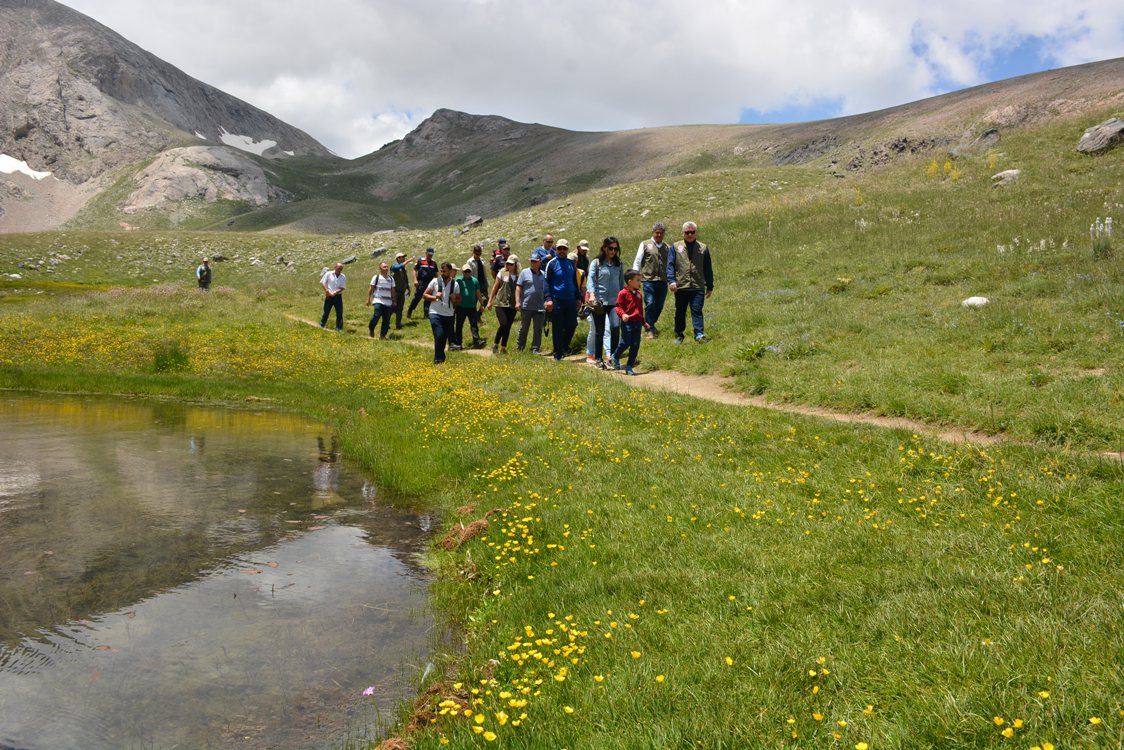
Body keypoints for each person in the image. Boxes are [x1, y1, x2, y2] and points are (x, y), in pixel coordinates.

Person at [667, 221, 715, 343]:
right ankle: (679, 335)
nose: (689, 234)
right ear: (683, 233)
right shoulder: (675, 247)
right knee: (680, 312)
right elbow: (670, 265)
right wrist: (671, 281)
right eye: (687, 232)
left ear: (696, 233)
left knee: (697, 310)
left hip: (697, 285)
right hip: (681, 286)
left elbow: (707, 268)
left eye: (692, 232)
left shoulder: (703, 248)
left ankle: (699, 334)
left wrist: (710, 286)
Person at [586, 237, 625, 369]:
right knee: (600, 331)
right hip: (599, 301)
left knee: (615, 327)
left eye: (615, 249)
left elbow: (621, 283)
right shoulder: (596, 263)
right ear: (604, 248)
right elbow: (590, 280)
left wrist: (623, 299)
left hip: (615, 302)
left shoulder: (619, 264)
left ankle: (613, 358)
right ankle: (598, 358)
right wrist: (592, 294)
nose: (613, 251)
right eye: (610, 248)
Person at [543, 239, 582, 361]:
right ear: (556, 249)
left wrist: (578, 297)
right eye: (559, 248)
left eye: (564, 248)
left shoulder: (571, 263)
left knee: (572, 324)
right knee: (558, 327)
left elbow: (574, 282)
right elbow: (546, 283)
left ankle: (564, 347)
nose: (561, 251)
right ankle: (558, 354)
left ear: (567, 249)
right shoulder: (552, 263)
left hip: (570, 299)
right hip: (557, 299)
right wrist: (548, 299)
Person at [631, 222, 671, 338]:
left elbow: (671, 264)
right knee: (650, 303)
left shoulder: (667, 247)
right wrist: (635, 277)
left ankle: (650, 323)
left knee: (659, 305)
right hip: (648, 279)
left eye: (661, 233)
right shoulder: (644, 244)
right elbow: (638, 261)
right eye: (657, 232)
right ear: (653, 233)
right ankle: (650, 329)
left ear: (664, 234)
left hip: (663, 280)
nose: (659, 235)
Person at [612, 269, 647, 375]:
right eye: (637, 280)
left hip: (637, 323)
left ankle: (629, 366)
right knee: (625, 342)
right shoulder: (622, 293)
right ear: (629, 281)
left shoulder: (639, 294)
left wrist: (643, 323)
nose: (639, 283)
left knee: (636, 345)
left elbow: (640, 310)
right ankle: (615, 356)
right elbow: (618, 307)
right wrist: (622, 314)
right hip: (627, 323)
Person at [423, 262, 458, 364]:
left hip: (449, 315)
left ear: (450, 272)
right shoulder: (435, 281)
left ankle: (440, 358)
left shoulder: (455, 284)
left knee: (443, 338)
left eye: (445, 271)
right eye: (441, 271)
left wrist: (455, 299)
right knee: (439, 335)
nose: (442, 273)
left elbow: (459, 300)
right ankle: (438, 359)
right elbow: (424, 295)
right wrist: (435, 297)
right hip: (435, 313)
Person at [487, 254, 519, 354]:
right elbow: (495, 287)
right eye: (508, 264)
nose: (509, 266)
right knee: (504, 324)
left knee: (508, 326)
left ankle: (503, 347)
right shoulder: (503, 272)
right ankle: (496, 343)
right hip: (501, 302)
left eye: (511, 264)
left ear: (516, 265)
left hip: (512, 304)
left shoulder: (519, 275)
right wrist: (490, 301)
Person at [515, 253, 546, 353]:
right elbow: (518, 287)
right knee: (524, 328)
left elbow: (546, 290)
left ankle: (535, 349)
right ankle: (520, 348)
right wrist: (517, 301)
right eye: (531, 261)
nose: (533, 263)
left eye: (535, 261)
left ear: (539, 262)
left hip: (540, 307)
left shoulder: (543, 274)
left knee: (538, 329)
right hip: (526, 306)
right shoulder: (524, 272)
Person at [452, 263, 485, 350]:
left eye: (468, 271)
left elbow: (478, 293)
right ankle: (458, 342)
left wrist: (482, 304)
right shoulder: (458, 280)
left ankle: (476, 340)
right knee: (459, 325)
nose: (467, 273)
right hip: (461, 306)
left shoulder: (475, 281)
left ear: (471, 272)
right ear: (462, 272)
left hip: (472, 307)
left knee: (474, 324)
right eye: (465, 271)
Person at [366, 261, 396, 339]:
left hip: (388, 302)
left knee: (386, 320)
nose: (386, 269)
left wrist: (394, 300)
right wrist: (368, 299)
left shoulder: (391, 279)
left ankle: (383, 335)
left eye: (387, 267)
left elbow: (393, 290)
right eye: (384, 267)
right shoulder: (376, 277)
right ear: (380, 268)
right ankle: (371, 328)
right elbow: (371, 288)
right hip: (378, 300)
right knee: (376, 315)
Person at [408, 247, 438, 318]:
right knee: (417, 298)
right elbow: (415, 270)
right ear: (426, 253)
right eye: (429, 254)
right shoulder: (421, 260)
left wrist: (436, 283)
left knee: (428, 298)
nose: (430, 256)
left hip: (430, 283)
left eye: (431, 254)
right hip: (421, 282)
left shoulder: (433, 263)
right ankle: (410, 310)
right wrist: (415, 280)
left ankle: (426, 314)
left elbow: (436, 274)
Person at [319, 262, 347, 331]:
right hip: (329, 296)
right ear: (335, 267)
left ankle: (339, 328)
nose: (339, 270)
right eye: (338, 268)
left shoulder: (343, 276)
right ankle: (322, 324)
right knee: (326, 311)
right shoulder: (329, 274)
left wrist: (335, 292)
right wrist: (327, 291)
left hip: (338, 296)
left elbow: (342, 287)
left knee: (339, 313)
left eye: (341, 269)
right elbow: (323, 282)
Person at [390, 251, 410, 329]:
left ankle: (398, 324)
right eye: (402, 257)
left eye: (404, 257)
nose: (404, 258)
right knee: (392, 308)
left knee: (400, 309)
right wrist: (408, 261)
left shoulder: (403, 269)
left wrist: (408, 288)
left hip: (402, 292)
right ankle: (386, 323)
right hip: (395, 292)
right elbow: (398, 267)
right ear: (398, 258)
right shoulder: (394, 266)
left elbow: (405, 279)